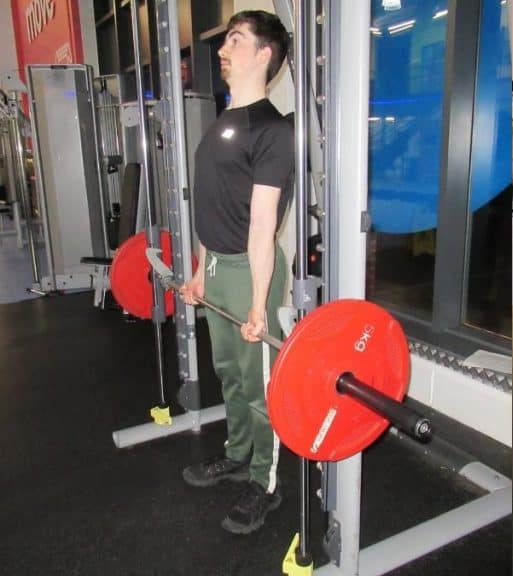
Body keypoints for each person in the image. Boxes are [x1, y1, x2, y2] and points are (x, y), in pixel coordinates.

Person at [178, 10, 293, 535]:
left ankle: (266, 484)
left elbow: (262, 223)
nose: (224, 49)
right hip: (220, 267)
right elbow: (212, 203)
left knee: (260, 386)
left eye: (236, 40)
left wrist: (257, 301)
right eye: (226, 39)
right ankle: (238, 454)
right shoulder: (221, 124)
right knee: (229, 372)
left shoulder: (271, 129)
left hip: (252, 270)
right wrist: (202, 270)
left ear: (264, 54)